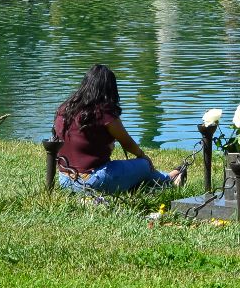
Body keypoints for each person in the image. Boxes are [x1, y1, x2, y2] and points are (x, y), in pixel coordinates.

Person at [53, 64, 185, 193]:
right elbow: (127, 143)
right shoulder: (103, 112)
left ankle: (167, 178)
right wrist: (143, 156)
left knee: (131, 170)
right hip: (90, 182)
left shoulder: (64, 108)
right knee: (143, 165)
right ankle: (168, 180)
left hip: (64, 180)